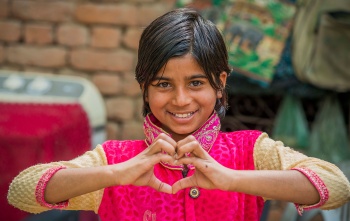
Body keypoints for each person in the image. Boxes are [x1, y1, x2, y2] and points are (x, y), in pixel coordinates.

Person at [7, 8, 350, 221]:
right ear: (145, 88)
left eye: (196, 82)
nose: (181, 99)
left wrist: (231, 179)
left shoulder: (248, 151)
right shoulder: (119, 160)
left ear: (220, 83)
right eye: (163, 84)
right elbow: (20, 191)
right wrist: (115, 174)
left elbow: (335, 186)